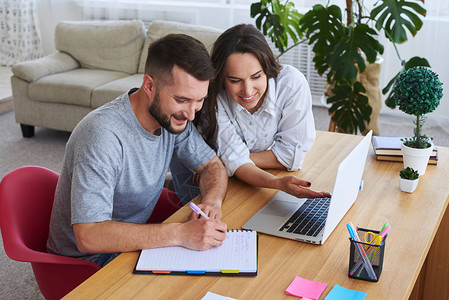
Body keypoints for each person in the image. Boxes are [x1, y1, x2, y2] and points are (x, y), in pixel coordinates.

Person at [46, 34, 229, 267]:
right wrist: (179, 233)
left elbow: (212, 165)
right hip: (87, 263)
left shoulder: (173, 120)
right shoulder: (102, 135)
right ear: (150, 86)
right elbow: (88, 236)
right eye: (182, 100)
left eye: (199, 100)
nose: (192, 114)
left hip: (128, 247)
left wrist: (212, 202)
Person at [170, 24, 330, 204]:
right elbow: (237, 161)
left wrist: (223, 162)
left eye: (256, 77)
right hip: (196, 173)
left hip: (231, 172)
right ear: (221, 77)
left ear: (267, 69)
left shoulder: (291, 84)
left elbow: (291, 157)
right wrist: (229, 163)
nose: (247, 91)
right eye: (235, 80)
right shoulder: (214, 97)